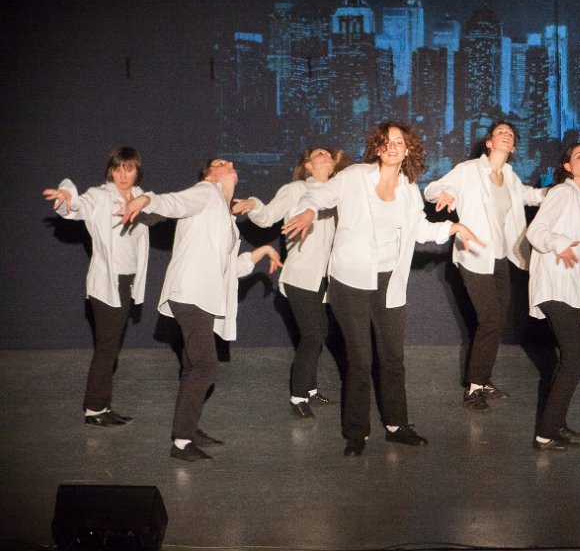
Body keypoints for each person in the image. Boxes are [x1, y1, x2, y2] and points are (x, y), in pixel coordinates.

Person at [282, 122, 483, 457]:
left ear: (407, 150)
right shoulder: (355, 176)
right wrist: (308, 210)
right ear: (377, 148)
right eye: (387, 142)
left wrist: (454, 227)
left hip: (389, 282)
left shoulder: (408, 188)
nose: (393, 146)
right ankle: (356, 433)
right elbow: (318, 194)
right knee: (360, 360)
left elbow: (419, 228)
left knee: (392, 358)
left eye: (399, 142)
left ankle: (396, 426)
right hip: (350, 282)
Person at [121, 159, 282, 462]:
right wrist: (147, 200)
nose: (230, 163)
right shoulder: (207, 192)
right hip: (191, 293)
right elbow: (176, 202)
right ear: (209, 176)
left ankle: (188, 430)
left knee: (193, 366)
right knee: (206, 366)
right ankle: (182, 443)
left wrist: (261, 252)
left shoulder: (224, 216)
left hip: (202, 296)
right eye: (221, 163)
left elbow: (229, 269)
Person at [424, 122, 546, 412]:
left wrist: (559, 191)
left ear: (513, 147)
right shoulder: (469, 170)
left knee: (496, 322)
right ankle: (474, 387)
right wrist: (446, 193)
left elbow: (530, 195)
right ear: (489, 143)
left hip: (500, 257)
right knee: (490, 319)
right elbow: (432, 189)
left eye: (510, 135)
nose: (506, 136)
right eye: (500, 133)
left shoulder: (510, 176)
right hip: (474, 255)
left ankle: (482, 379)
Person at [43, 147, 156, 428]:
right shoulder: (100, 196)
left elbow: (162, 212)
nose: (122, 175)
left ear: (137, 171)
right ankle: (94, 409)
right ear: (110, 171)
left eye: (128, 169)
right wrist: (67, 197)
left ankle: (102, 406)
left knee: (110, 347)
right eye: (117, 169)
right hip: (107, 284)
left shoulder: (142, 197)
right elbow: (76, 207)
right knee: (107, 348)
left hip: (127, 282)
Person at [232, 147, 348, 419]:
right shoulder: (296, 190)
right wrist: (253, 204)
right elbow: (268, 216)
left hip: (323, 278)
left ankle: (310, 389)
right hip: (299, 276)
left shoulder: (337, 194)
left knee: (319, 332)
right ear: (308, 165)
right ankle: (298, 396)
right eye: (318, 154)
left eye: (328, 155)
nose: (325, 156)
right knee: (313, 334)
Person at [526, 141, 580, 451]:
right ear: (567, 166)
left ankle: (555, 424)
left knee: (570, 361)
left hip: (566, 287)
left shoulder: (577, 198)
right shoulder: (562, 191)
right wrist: (559, 243)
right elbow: (536, 231)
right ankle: (546, 434)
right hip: (556, 285)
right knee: (574, 360)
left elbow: (573, 236)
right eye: (579, 156)